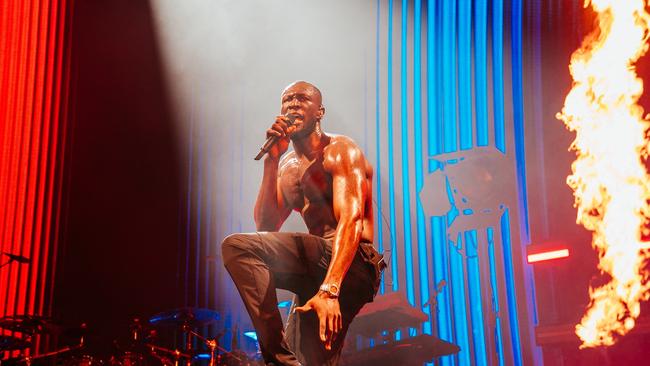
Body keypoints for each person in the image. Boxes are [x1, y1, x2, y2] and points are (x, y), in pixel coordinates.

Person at [221, 81, 384, 366]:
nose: (293, 105)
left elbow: (352, 220)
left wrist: (330, 290)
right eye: (287, 100)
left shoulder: (340, 150)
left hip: (353, 262)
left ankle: (280, 361)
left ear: (319, 112)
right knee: (310, 360)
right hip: (316, 268)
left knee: (237, 246)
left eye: (302, 99)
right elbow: (266, 225)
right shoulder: (286, 167)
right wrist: (271, 162)